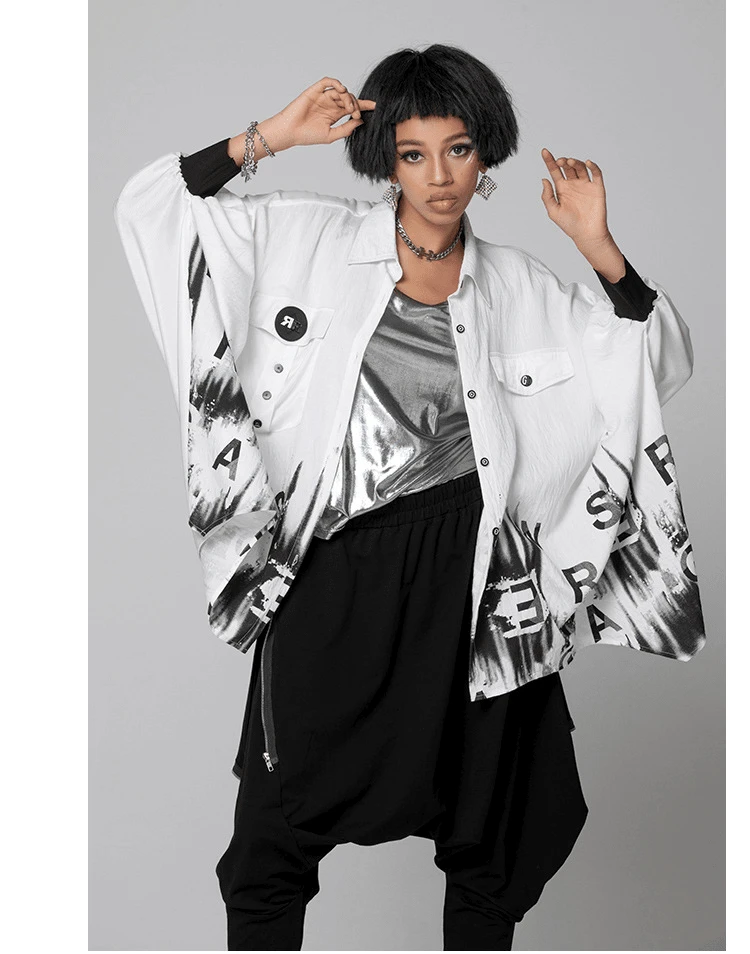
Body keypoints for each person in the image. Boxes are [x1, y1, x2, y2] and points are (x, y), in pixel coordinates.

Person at [114, 43, 706, 952]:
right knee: (273, 839)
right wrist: (268, 137)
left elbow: (654, 363)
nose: (439, 177)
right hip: (338, 575)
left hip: (476, 584)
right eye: (413, 153)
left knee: (493, 830)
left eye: (458, 149)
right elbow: (155, 209)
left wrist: (598, 248)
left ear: (485, 153)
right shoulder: (309, 239)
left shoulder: (521, 287)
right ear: (384, 158)